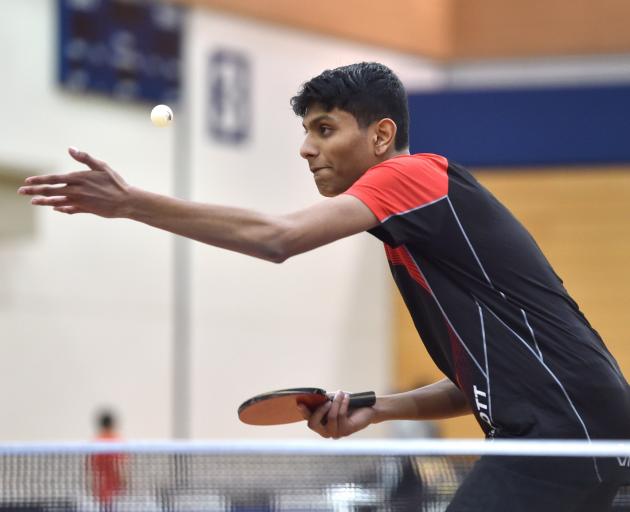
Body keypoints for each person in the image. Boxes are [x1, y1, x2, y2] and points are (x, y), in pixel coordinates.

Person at [18, 62, 630, 511]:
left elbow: (276, 238)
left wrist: (131, 204)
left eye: (325, 129)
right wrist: (376, 408)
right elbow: (477, 386)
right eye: (307, 133)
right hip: (578, 423)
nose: (308, 149)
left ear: (381, 136)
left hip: (567, 430)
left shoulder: (416, 177)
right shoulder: (414, 239)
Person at [90, 410, 126, 511]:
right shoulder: (117, 440)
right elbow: (120, 465)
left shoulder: (95, 441)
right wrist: (125, 482)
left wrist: (91, 484)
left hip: (99, 487)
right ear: (112, 424)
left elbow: (91, 468)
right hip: (115, 488)